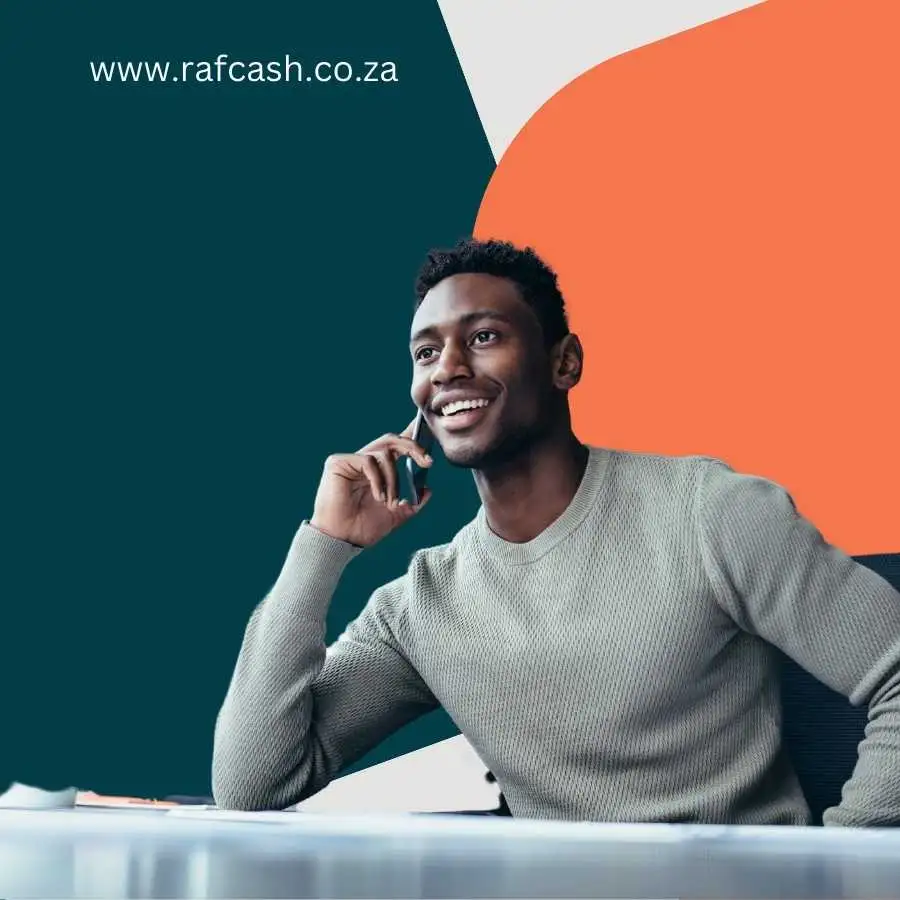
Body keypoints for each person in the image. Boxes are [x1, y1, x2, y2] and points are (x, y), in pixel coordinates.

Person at [212, 238, 900, 826]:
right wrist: (323, 547)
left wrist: (832, 868)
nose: (447, 368)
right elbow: (252, 786)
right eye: (426, 353)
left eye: (483, 337)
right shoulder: (421, 605)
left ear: (564, 362)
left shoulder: (708, 514)